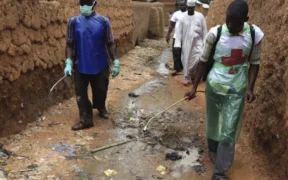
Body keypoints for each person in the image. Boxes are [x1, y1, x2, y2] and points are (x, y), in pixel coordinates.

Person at [185, 0, 264, 179]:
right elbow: (203, 61)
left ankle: (219, 172)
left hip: (237, 88)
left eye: (235, 21)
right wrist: (194, 87)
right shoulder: (216, 33)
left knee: (229, 129)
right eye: (228, 19)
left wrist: (250, 88)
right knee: (213, 120)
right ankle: (213, 149)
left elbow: (255, 63)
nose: (229, 24)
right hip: (214, 85)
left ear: (246, 19)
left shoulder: (253, 34)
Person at [64, 0, 120, 131]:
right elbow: (69, 44)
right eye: (81, 3)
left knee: (101, 89)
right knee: (81, 93)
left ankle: (100, 107)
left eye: (87, 4)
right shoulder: (73, 22)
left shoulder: (103, 21)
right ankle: (86, 119)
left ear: (94, 4)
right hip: (80, 64)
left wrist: (115, 60)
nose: (84, 6)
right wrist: (68, 62)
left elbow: (110, 42)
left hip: (100, 63)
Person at [174, 0, 207, 86]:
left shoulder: (200, 16)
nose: (190, 10)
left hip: (198, 43)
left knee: (199, 57)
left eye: (192, 8)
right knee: (186, 60)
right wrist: (177, 45)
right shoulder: (182, 18)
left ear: (194, 7)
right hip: (186, 44)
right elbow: (178, 32)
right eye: (189, 8)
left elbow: (204, 30)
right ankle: (187, 77)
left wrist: (205, 42)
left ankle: (192, 73)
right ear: (187, 7)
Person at [166, 1, 187, 76]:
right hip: (176, 37)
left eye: (183, 5)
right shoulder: (176, 14)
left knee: (185, 52)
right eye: (180, 5)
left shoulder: (190, 14)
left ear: (186, 5)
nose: (182, 7)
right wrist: (168, 34)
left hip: (186, 38)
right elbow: (171, 25)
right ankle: (178, 69)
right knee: (175, 52)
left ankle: (185, 68)